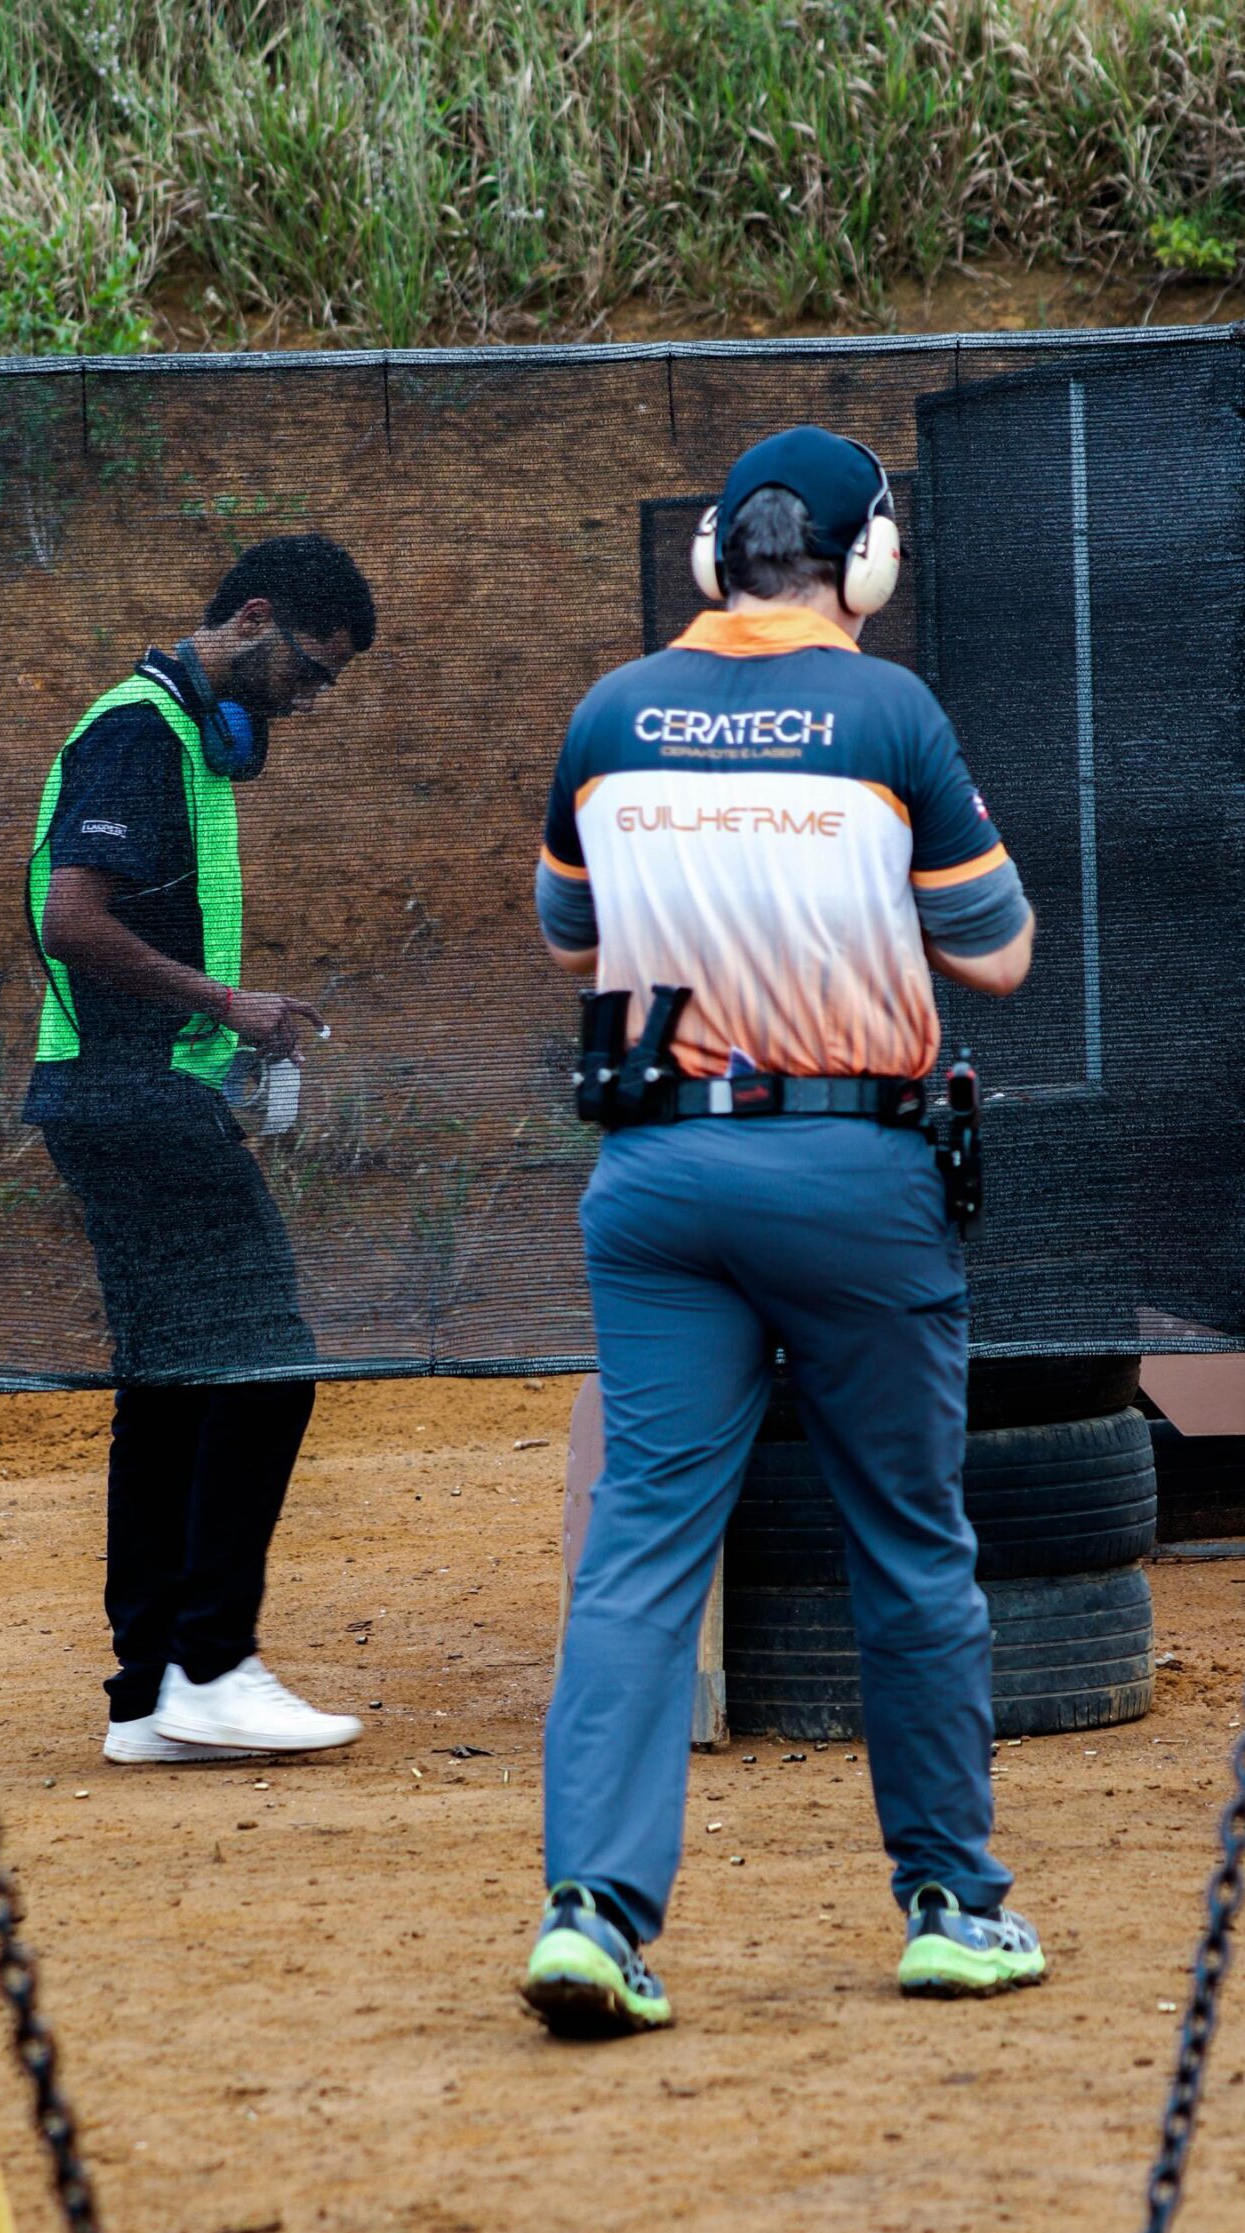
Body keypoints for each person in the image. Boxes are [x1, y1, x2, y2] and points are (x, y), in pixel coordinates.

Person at [522, 426, 1042, 2036]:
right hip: (849, 1175)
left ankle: (591, 1916)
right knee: (905, 1541)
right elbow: (995, 951)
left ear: (710, 555)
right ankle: (950, 1907)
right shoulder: (890, 715)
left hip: (657, 1178)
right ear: (860, 561)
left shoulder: (610, 712)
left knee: (638, 1551)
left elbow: (567, 936)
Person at [24, 534, 376, 1766]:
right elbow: (72, 921)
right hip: (128, 1100)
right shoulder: (141, 733)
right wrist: (228, 1006)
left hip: (125, 1094)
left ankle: (149, 1697)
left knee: (172, 1384)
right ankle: (212, 1666)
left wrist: (225, 1047)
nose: (309, 700)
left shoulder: (182, 742)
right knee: (265, 1359)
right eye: (310, 670)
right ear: (255, 616)